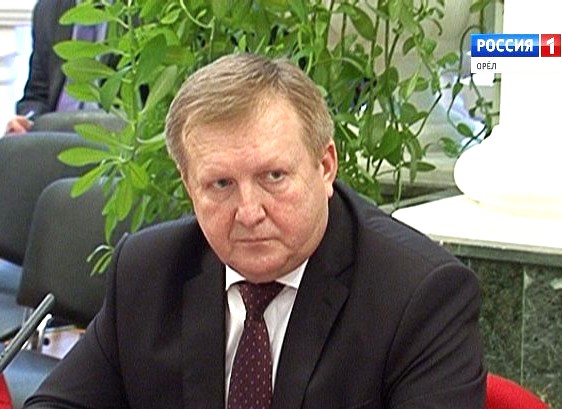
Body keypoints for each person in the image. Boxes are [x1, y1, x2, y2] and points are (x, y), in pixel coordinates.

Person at [23, 53, 486, 408]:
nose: (248, 212)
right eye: (220, 184)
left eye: (274, 177)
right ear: (189, 186)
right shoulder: (149, 270)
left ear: (325, 166)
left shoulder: (418, 294)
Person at [5, 0, 100, 135]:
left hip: (110, 136)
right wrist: (27, 121)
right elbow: (37, 95)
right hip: (54, 135)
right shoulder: (48, 9)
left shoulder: (130, 15)